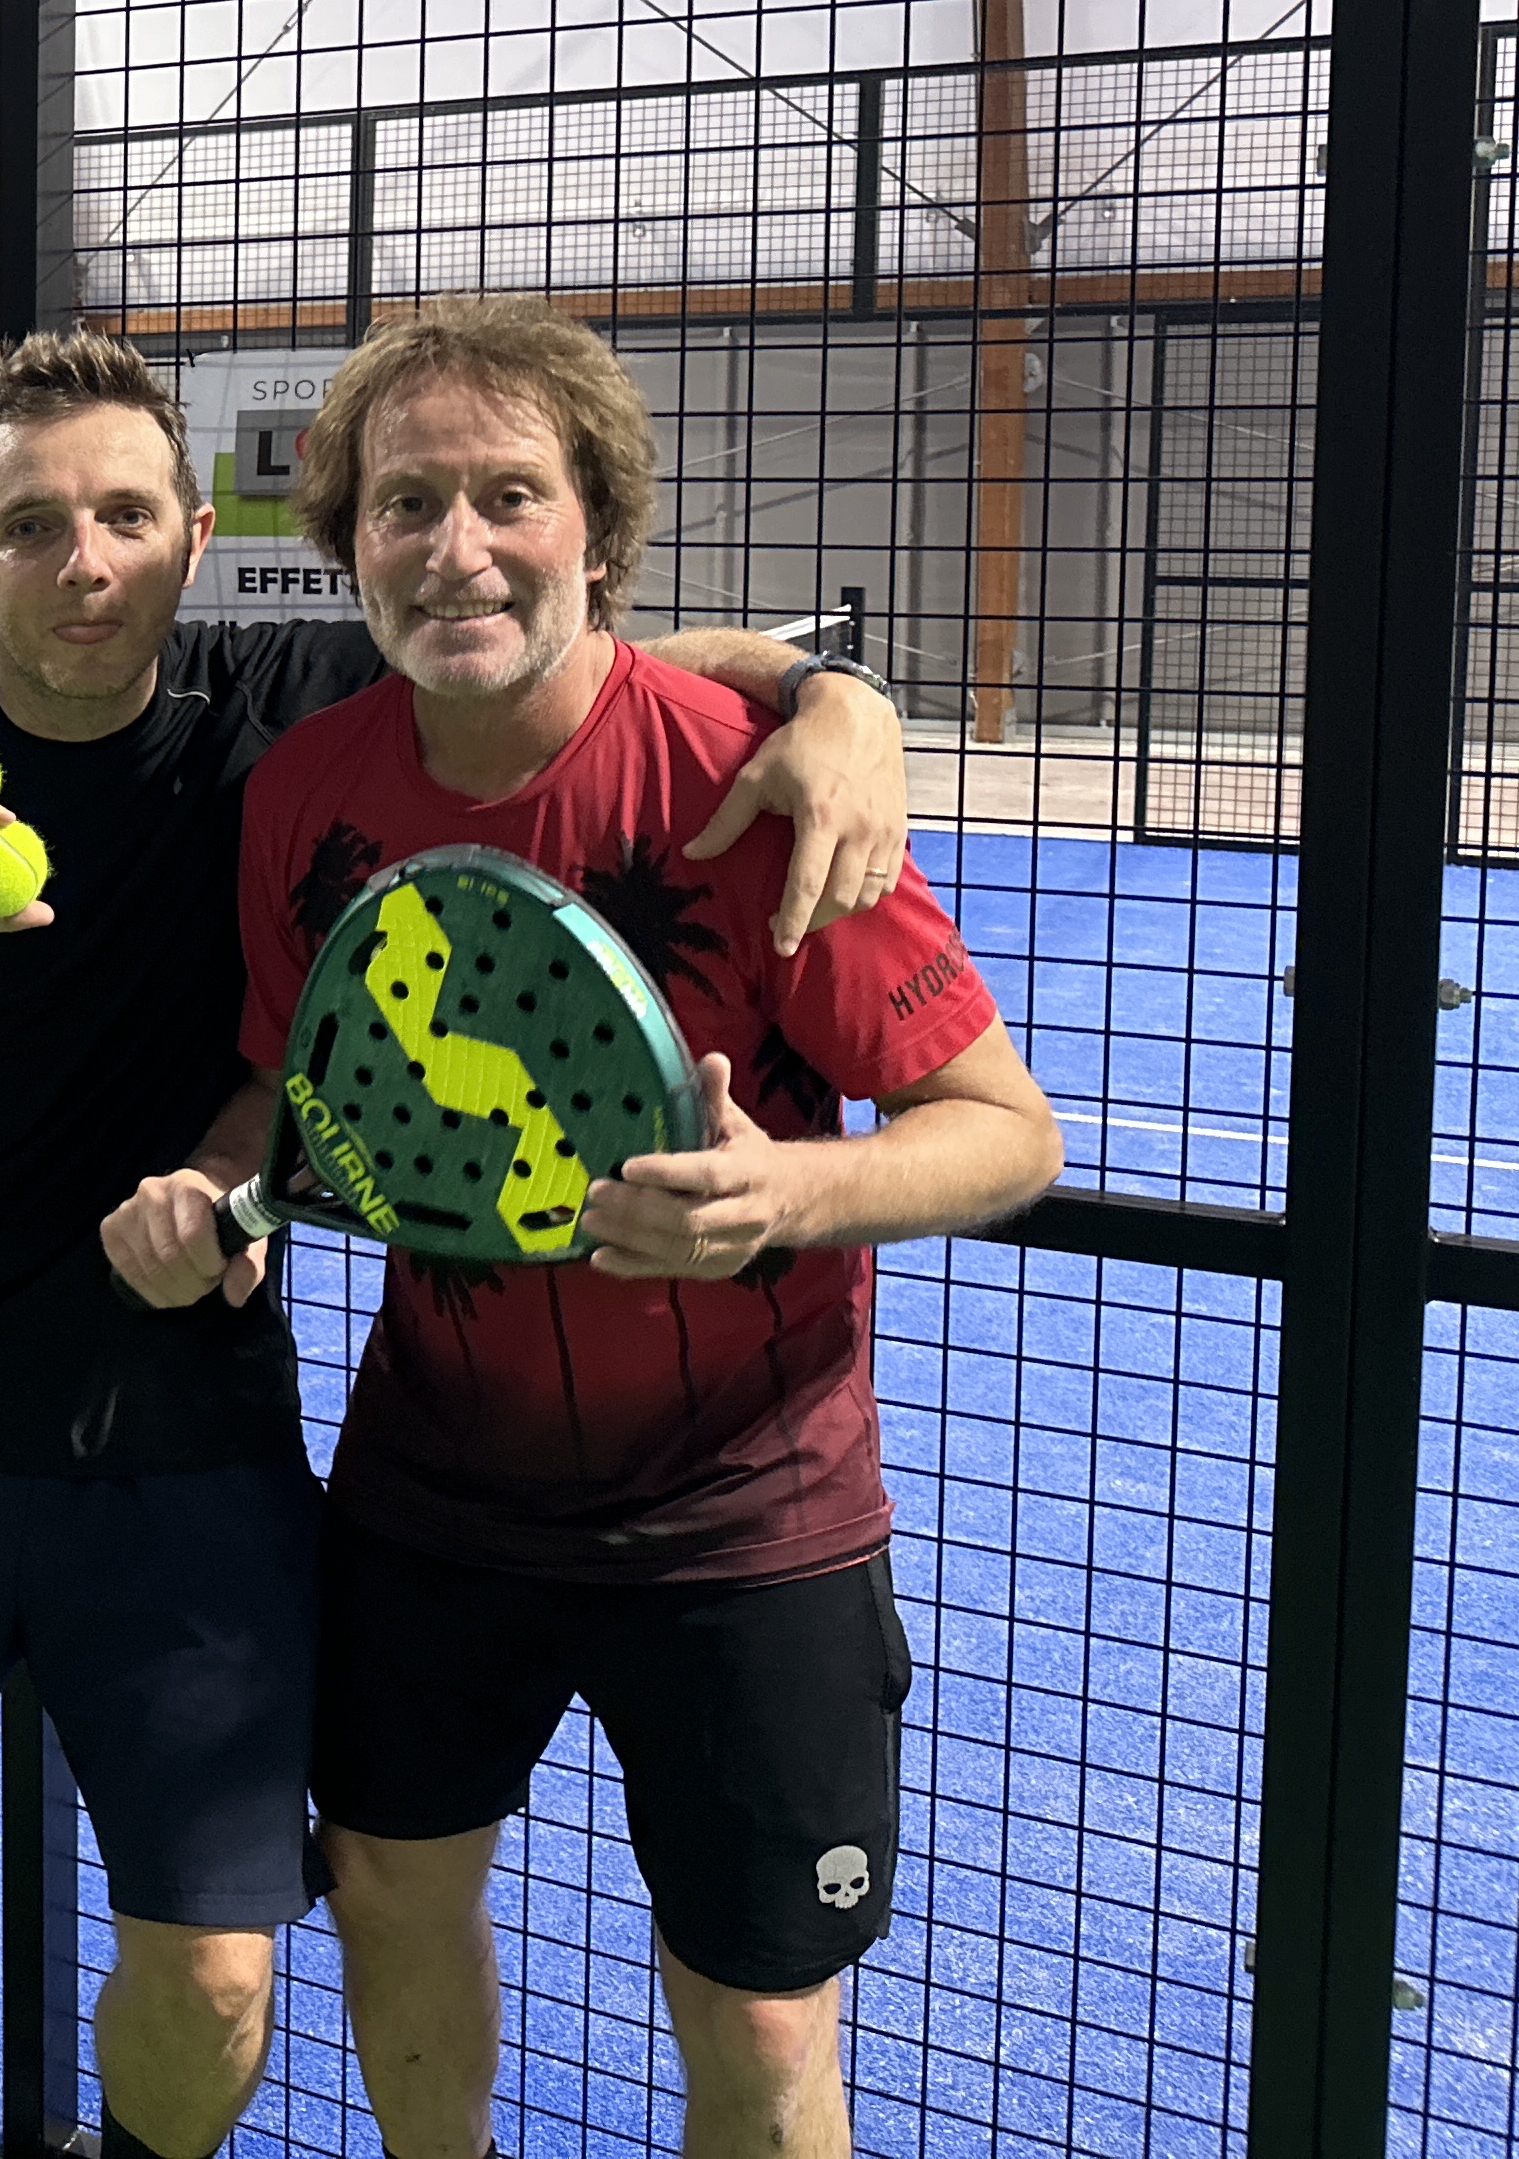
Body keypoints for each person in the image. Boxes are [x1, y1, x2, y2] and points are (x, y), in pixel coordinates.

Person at [0, 327, 916, 2159]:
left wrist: (831, 690)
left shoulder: (293, 702)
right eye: (28, 526)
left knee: (224, 1978)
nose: (83, 562)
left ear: (190, 539)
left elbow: (566, 630)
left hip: (187, 1410)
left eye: (123, 516)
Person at [103, 295, 1060, 2159]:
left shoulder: (746, 780)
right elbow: (293, 1081)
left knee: (760, 2015)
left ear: (599, 531)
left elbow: (1003, 1131)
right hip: (432, 1488)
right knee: (389, 1894)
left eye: (508, 495)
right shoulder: (305, 791)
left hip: (746, 1503)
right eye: (405, 501)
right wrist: (222, 1192)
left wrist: (793, 1192)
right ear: (348, 541)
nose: (454, 544)